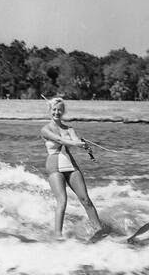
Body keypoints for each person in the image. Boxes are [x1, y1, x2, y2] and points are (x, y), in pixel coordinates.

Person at [41, 97, 105, 238]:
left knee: (86, 200)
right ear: (50, 111)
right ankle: (58, 235)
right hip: (54, 166)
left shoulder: (69, 128)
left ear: (63, 112)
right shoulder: (45, 129)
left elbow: (74, 139)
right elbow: (59, 140)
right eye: (54, 110)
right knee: (62, 200)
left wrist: (81, 144)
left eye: (60, 110)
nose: (57, 112)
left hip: (70, 165)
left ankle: (99, 231)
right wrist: (75, 143)